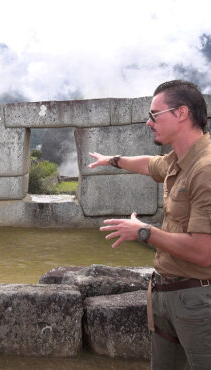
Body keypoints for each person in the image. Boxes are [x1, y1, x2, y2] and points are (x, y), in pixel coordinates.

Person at [89, 80, 211, 370]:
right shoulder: (178, 159)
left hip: (198, 298)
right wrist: (113, 160)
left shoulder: (205, 170)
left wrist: (144, 232)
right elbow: (147, 164)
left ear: (181, 113)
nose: (148, 122)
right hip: (165, 293)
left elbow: (203, 250)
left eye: (155, 115)